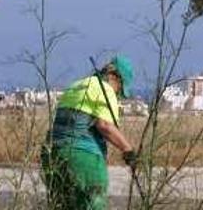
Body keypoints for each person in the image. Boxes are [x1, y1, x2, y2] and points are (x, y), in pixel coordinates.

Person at [42, 56, 137, 210]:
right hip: (82, 157)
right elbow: (104, 125)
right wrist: (128, 150)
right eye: (120, 90)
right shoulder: (104, 89)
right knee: (93, 203)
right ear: (116, 78)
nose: (118, 95)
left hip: (53, 155)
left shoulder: (77, 85)